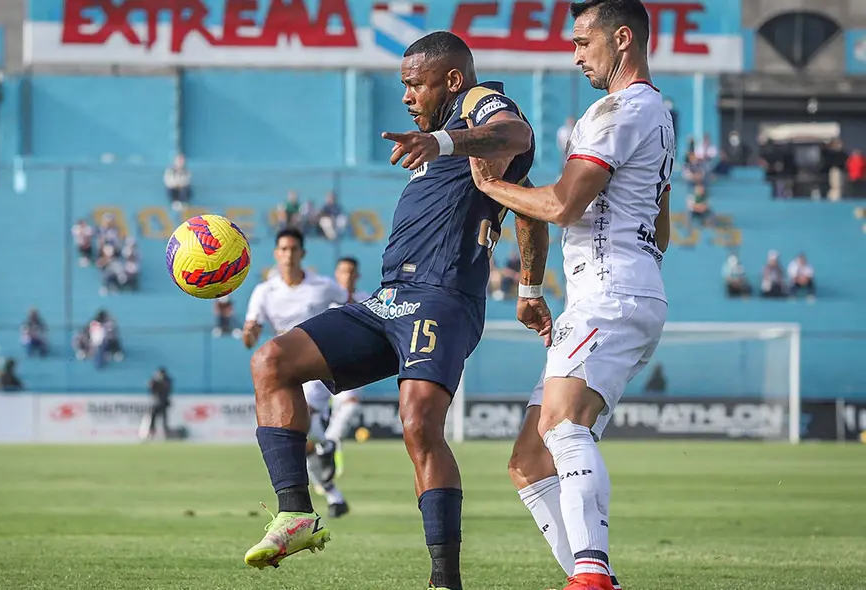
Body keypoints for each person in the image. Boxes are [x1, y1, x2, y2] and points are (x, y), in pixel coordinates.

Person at [243, 31, 535, 590]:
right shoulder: (443, 134)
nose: (405, 96)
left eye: (414, 84)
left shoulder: (479, 108)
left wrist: (446, 144)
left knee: (418, 423)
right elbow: (529, 214)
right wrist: (531, 287)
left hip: (443, 297)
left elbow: (515, 135)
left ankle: (444, 580)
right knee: (271, 363)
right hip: (386, 299)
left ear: (451, 80)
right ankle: (295, 514)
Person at [468, 2, 670, 589]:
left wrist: (492, 186)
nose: (575, 54)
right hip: (618, 290)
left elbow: (562, 206)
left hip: (610, 292)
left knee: (563, 428)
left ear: (622, 39)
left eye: (584, 41)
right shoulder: (656, 114)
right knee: (529, 464)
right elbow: (659, 227)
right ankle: (592, 574)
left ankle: (590, 577)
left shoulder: (618, 110)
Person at [243, 229, 354, 521]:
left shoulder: (323, 285)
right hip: (284, 368)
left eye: (294, 249)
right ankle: (332, 488)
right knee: (302, 438)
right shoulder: (264, 291)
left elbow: (350, 303)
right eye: (283, 249)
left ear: (302, 253)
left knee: (296, 427)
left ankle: (321, 456)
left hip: (317, 367)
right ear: (276, 254)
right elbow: (249, 334)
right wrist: (250, 332)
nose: (289, 254)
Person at [324, 257, 371, 478]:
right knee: (308, 420)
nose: (348, 276)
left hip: (351, 364)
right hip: (320, 365)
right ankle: (318, 468)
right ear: (336, 274)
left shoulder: (366, 301)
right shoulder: (326, 300)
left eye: (351, 272)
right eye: (343, 271)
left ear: (357, 275)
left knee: (351, 406)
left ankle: (331, 443)